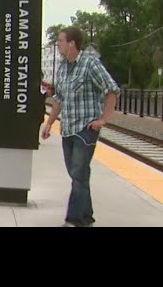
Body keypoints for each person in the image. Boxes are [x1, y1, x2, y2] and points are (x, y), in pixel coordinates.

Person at [40, 26, 120, 227]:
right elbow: (59, 98)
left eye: (60, 41)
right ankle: (87, 217)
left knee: (78, 173)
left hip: (86, 130)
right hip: (67, 129)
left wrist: (103, 119)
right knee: (79, 176)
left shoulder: (90, 63)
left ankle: (73, 220)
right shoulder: (63, 67)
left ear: (72, 43)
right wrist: (49, 123)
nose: (58, 44)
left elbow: (111, 90)